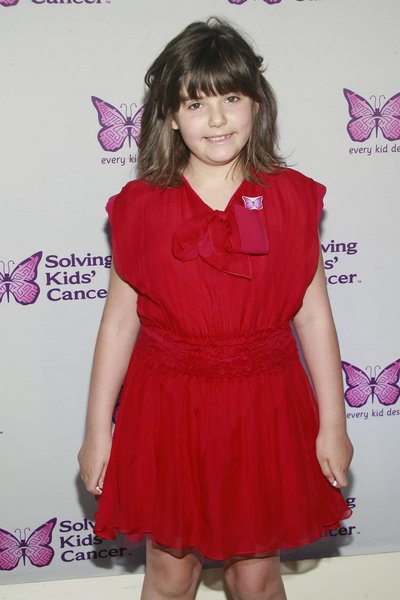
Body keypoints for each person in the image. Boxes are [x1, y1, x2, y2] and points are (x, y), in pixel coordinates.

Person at [78, 17, 353, 600]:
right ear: (170, 117)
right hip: (168, 410)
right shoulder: (140, 207)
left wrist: (334, 424)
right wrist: (98, 431)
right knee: (171, 575)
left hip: (263, 408)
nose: (218, 118)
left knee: (255, 579)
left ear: (257, 103)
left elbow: (313, 317)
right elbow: (119, 322)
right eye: (196, 103)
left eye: (231, 97)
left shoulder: (291, 199)